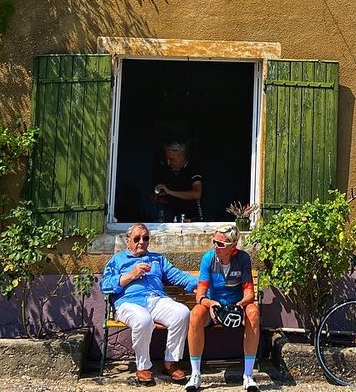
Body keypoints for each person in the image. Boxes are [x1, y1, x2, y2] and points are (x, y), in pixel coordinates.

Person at [101, 224, 200, 386]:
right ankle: (143, 366)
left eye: (145, 238)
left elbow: (177, 276)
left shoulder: (157, 259)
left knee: (182, 313)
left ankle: (170, 363)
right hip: (128, 302)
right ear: (128, 241)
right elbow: (105, 285)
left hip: (156, 299)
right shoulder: (117, 260)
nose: (141, 241)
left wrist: (201, 283)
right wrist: (131, 275)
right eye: (137, 238)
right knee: (143, 319)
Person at [185, 224, 260, 392]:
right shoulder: (208, 258)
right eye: (214, 242)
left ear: (232, 246)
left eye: (220, 244)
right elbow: (200, 295)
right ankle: (195, 375)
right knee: (195, 314)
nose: (215, 247)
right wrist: (210, 304)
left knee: (254, 312)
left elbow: (249, 294)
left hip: (236, 308)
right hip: (214, 308)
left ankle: (248, 375)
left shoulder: (242, 259)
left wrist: (239, 305)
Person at [154, 141, 204, 222]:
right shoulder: (172, 172)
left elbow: (197, 194)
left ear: (181, 155)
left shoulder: (193, 169)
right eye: (167, 159)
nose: (169, 163)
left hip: (195, 220)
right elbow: (177, 198)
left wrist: (170, 192)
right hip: (177, 220)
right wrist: (161, 198)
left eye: (171, 159)